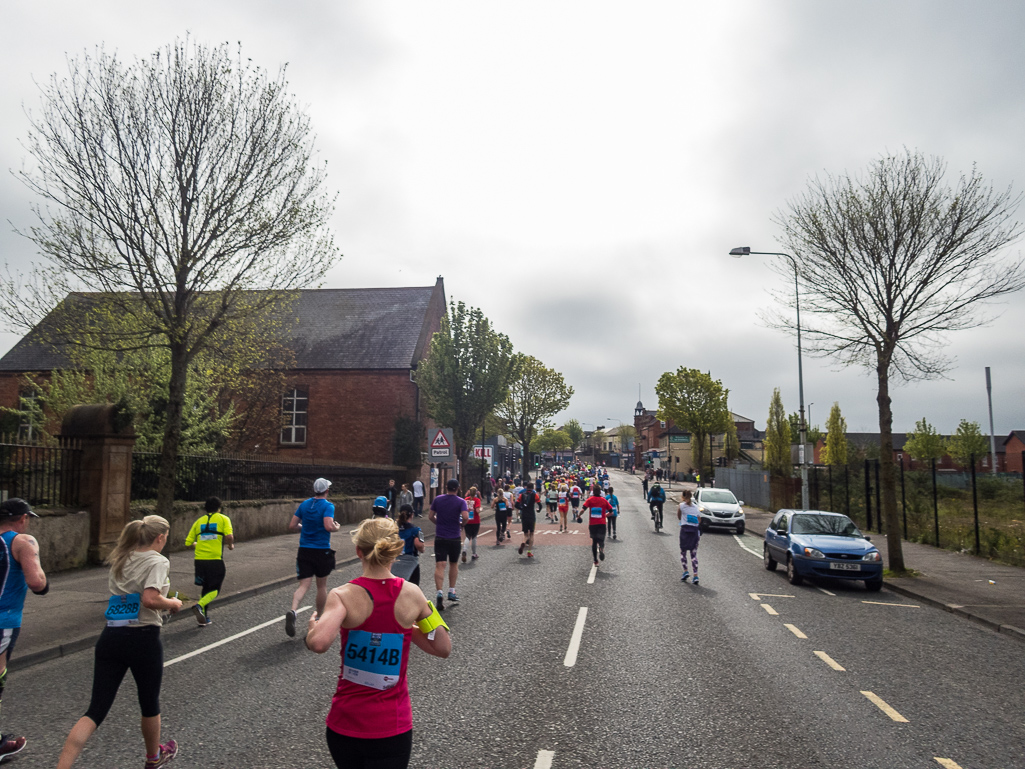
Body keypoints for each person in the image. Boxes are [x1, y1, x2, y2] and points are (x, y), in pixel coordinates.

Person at [305, 517, 452, 769]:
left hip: (344, 726)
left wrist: (311, 629)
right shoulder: (412, 594)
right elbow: (442, 646)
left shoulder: (342, 595)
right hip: (391, 729)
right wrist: (409, 625)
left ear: (358, 551)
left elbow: (318, 643)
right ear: (394, 551)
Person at [56, 515, 182, 769]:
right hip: (143, 638)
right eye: (165, 537)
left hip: (111, 637)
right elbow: (149, 599)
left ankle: (62, 767)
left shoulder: (121, 557)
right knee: (149, 703)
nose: (165, 541)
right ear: (159, 537)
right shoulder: (158, 561)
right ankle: (153, 757)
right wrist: (173, 604)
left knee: (95, 710)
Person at [0, 499, 47, 763]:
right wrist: (44, 585)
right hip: (3, 618)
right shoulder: (21, 541)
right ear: (22, 519)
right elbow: (37, 582)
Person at [286, 478, 341, 637]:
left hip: (304, 549)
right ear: (327, 490)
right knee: (321, 586)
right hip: (321, 550)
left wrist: (304, 528)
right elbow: (328, 526)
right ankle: (318, 616)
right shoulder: (328, 506)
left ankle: (293, 610)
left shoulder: (304, 504)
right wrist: (336, 528)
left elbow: (292, 526)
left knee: (303, 585)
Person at [184, 496, 234, 627]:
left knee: (206, 587)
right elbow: (229, 536)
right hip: (214, 560)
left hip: (199, 561)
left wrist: (199, 544)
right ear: (219, 508)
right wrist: (230, 545)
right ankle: (199, 605)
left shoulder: (199, 521)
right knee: (215, 588)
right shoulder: (223, 518)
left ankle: (204, 618)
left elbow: (188, 542)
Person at [429, 479, 468, 610]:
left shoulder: (438, 499)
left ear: (446, 487)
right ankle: (451, 591)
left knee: (440, 565)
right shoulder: (461, 502)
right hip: (454, 537)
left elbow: (430, 516)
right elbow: (466, 516)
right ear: (457, 488)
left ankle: (439, 593)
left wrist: (438, 523)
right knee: (453, 564)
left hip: (440, 536)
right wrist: (461, 525)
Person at [582, 486, 613, 567]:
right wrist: (605, 515)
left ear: (593, 492)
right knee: (601, 539)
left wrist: (578, 516)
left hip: (593, 524)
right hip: (602, 523)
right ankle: (601, 548)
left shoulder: (590, 500)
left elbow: (583, 509)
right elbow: (611, 512)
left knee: (594, 542)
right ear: (600, 492)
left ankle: (595, 560)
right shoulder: (604, 500)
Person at [394, 506, 424, 585]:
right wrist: (422, 550)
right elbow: (419, 545)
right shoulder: (415, 529)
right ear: (412, 515)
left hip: (394, 561)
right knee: (413, 588)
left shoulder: (393, 529)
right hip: (411, 562)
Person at [677, 489, 701, 585]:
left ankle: (685, 571)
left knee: (683, 552)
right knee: (693, 554)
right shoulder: (696, 507)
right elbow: (699, 519)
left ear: (682, 497)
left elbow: (679, 517)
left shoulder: (681, 506)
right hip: (694, 532)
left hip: (685, 531)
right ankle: (695, 575)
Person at [516, 482, 541, 558]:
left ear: (526, 488)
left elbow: (516, 504)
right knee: (532, 534)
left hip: (524, 515)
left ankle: (523, 542)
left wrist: (522, 508)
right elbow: (539, 504)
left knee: (525, 533)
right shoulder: (534, 495)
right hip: (531, 515)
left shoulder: (522, 495)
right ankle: (529, 552)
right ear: (533, 488)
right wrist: (538, 510)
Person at [461, 486, 482, 563]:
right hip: (475, 520)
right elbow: (477, 510)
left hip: (467, 520)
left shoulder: (465, 500)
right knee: (474, 537)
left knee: (467, 536)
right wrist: (480, 509)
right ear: (476, 492)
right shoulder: (477, 500)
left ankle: (464, 550)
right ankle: (474, 554)